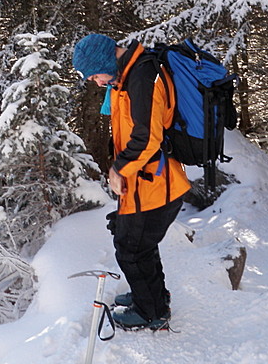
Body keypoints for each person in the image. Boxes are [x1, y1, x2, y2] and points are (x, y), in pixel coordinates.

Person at [73, 33, 191, 329]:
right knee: (140, 243)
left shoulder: (142, 77)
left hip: (156, 183)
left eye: (95, 75)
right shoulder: (127, 75)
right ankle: (152, 296)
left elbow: (147, 138)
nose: (97, 83)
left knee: (131, 248)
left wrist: (119, 169)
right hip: (148, 181)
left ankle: (151, 312)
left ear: (105, 62)